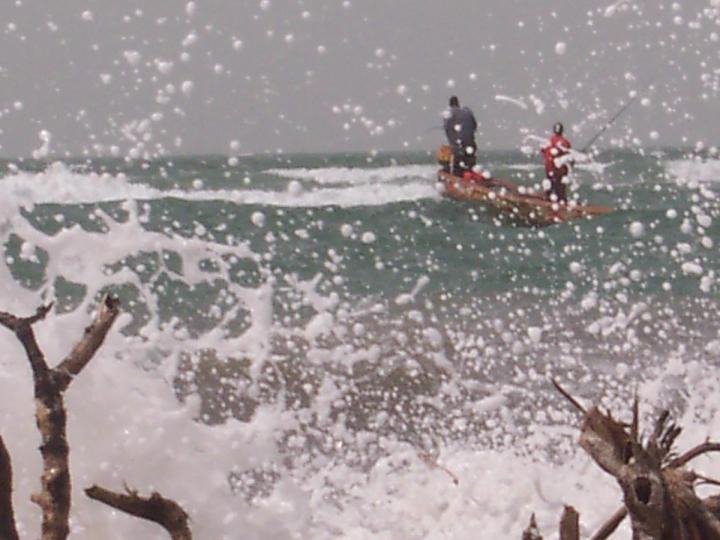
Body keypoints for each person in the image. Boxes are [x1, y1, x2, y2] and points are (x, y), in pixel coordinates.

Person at [443, 96, 477, 176]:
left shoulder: (449, 113)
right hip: (470, 143)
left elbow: (448, 129)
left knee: (458, 165)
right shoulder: (467, 111)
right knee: (469, 162)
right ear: (458, 103)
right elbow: (474, 125)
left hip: (459, 145)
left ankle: (458, 177)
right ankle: (470, 175)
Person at [541, 122, 572, 203]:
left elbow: (543, 151)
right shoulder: (565, 142)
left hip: (548, 167)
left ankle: (547, 199)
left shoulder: (548, 141)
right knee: (560, 187)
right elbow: (567, 156)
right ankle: (561, 201)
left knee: (550, 183)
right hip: (558, 169)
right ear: (562, 130)